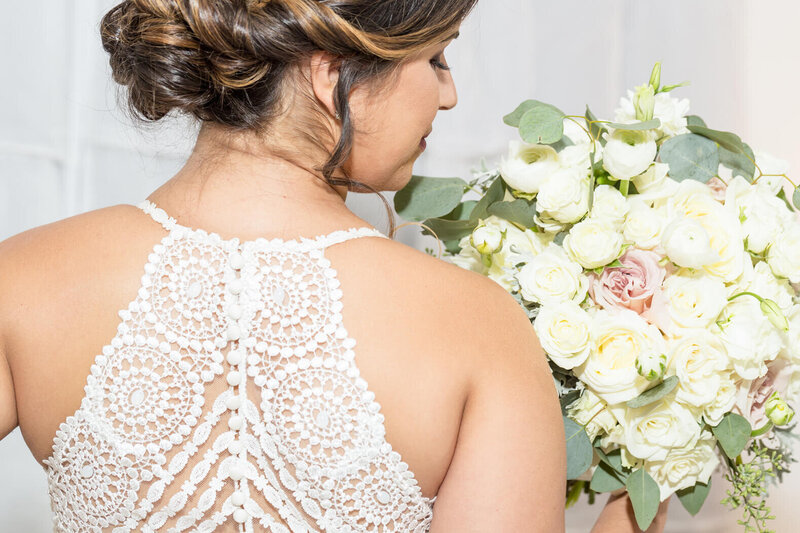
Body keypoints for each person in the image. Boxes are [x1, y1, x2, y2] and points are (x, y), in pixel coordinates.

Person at [0, 0, 669, 531]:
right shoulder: (476, 326)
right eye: (435, 57)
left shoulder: (25, 277)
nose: (450, 94)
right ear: (332, 76)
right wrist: (638, 504)